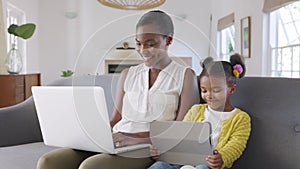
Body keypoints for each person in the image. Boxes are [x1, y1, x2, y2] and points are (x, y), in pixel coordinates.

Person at [37, 10, 200, 169]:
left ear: (169, 40)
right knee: (48, 162)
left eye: (151, 44)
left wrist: (136, 139)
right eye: (138, 43)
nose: (143, 50)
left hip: (147, 149)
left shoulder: (185, 76)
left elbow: (180, 133)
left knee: (91, 166)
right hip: (118, 141)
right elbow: (115, 120)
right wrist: (93, 136)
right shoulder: (127, 74)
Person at [148, 53, 251, 169]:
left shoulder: (241, 118)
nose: (209, 96)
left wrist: (221, 157)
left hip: (210, 165)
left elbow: (236, 146)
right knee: (159, 166)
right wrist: (162, 150)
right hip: (185, 161)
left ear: (231, 89)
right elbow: (181, 135)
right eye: (204, 90)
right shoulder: (196, 110)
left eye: (216, 90)